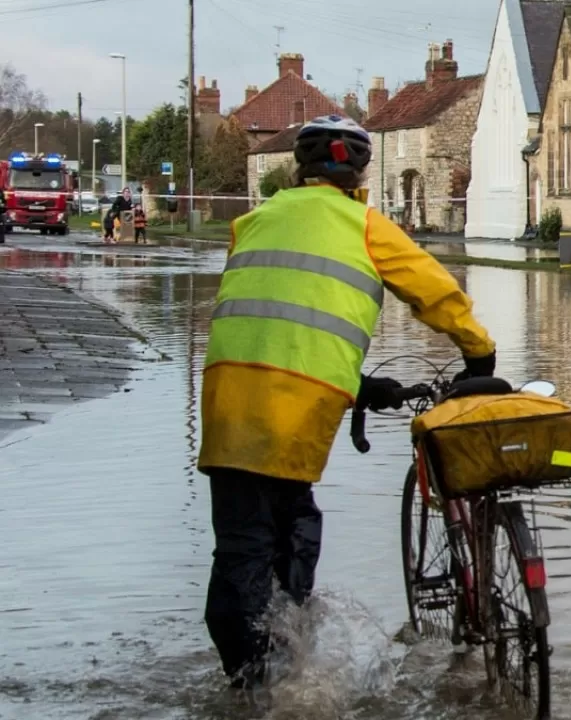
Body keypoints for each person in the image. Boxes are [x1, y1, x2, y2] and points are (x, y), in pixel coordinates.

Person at [197, 114, 497, 689]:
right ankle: (278, 672)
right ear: (359, 171)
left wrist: (358, 385)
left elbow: (276, 319)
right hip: (297, 407)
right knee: (286, 534)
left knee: (242, 542)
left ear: (298, 169)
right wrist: (479, 355)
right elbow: (436, 292)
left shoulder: (251, 223)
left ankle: (253, 674)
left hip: (227, 398)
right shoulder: (365, 226)